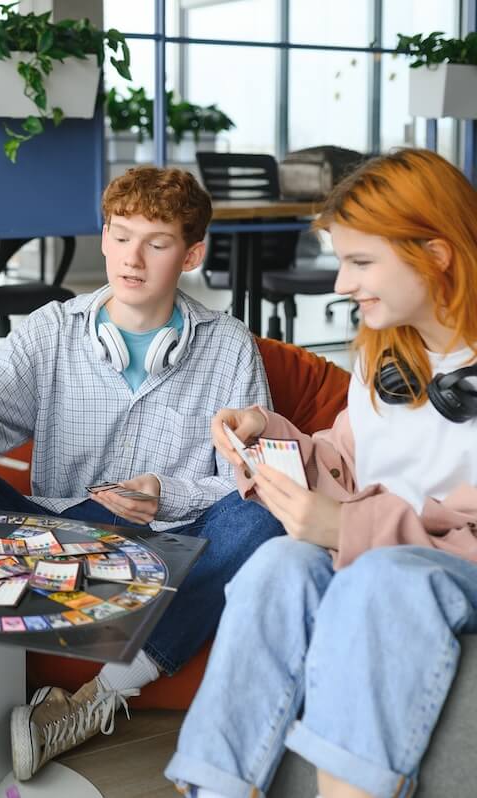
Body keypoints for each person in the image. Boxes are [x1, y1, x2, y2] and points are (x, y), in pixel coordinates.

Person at [0, 167, 285, 777]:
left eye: (156, 243)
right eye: (121, 236)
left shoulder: (229, 347)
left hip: (164, 554)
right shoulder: (52, 331)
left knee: (261, 517)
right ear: (103, 237)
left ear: (191, 254)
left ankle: (93, 699)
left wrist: (168, 492)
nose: (132, 258)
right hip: (56, 545)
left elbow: (254, 477)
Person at [166, 148, 477, 798]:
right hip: (388, 554)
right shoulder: (385, 355)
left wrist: (348, 526)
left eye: (362, 262)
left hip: (445, 570)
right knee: (278, 564)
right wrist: (271, 437)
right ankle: (214, 788)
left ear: (437, 255)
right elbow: (342, 463)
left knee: (381, 579)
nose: (340, 283)